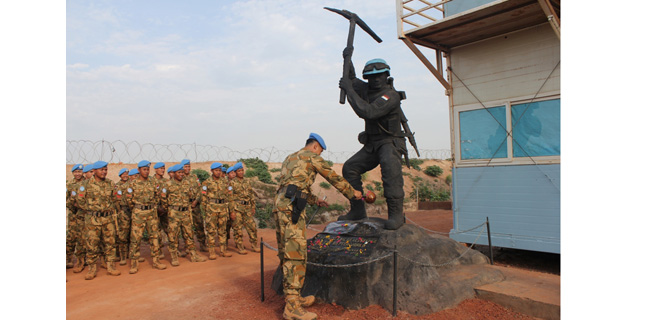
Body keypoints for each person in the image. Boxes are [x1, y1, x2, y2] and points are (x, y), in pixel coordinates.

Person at [274, 133, 362, 320]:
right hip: (291, 209)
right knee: (295, 253)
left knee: (286, 250)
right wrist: (352, 193)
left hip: (281, 205)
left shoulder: (290, 158)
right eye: (320, 151)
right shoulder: (312, 157)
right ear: (315, 147)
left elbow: (292, 187)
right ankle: (292, 307)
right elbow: (332, 177)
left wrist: (315, 200)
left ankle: (294, 297)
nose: (320, 155)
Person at [338, 57, 410, 230]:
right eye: (370, 77)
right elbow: (352, 79)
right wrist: (347, 57)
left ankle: (396, 215)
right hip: (372, 143)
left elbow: (368, 112)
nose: (375, 80)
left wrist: (349, 91)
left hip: (389, 142)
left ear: (386, 76)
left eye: (379, 75)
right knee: (350, 168)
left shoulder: (390, 95)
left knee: (389, 168)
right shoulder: (367, 88)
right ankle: (357, 210)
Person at [73, 161, 121, 280]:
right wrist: (92, 210)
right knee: (92, 244)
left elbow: (115, 199)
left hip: (108, 219)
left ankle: (111, 267)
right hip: (92, 220)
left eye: (105, 169)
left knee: (110, 243)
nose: (104, 172)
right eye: (101, 170)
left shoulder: (110, 183)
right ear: (94, 171)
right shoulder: (86, 184)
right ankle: (92, 268)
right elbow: (80, 201)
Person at [125, 160, 167, 273]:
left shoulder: (153, 182)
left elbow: (157, 196)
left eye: (148, 169)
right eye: (144, 169)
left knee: (154, 237)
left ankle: (156, 261)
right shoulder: (132, 184)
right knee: (136, 238)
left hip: (151, 213)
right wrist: (138, 209)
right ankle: (134, 264)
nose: (146, 171)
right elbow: (129, 200)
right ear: (139, 170)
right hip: (139, 213)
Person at [160, 164, 207, 266]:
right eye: (179, 173)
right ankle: (174, 257)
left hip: (186, 212)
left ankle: (194, 255)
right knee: (173, 235)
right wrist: (170, 209)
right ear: (174, 173)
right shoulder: (167, 185)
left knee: (189, 234)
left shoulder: (186, 183)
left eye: (182, 172)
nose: (181, 174)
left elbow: (190, 195)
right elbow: (163, 200)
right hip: (174, 213)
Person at [200, 162, 232, 259]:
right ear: (212, 171)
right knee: (211, 231)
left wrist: (229, 208)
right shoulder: (206, 183)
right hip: (212, 209)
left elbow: (229, 195)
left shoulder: (225, 182)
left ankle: (223, 251)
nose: (218, 172)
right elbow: (203, 197)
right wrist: (206, 210)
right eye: (216, 170)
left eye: (219, 170)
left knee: (222, 231)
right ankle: (212, 252)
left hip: (222, 208)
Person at [232, 162, 260, 252]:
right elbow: (229, 198)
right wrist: (232, 211)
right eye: (239, 171)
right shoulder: (231, 183)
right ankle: (240, 246)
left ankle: (254, 245)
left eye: (242, 170)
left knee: (252, 227)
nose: (241, 172)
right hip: (237, 208)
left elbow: (251, 195)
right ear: (235, 172)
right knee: (238, 228)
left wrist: (253, 206)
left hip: (247, 207)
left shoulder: (247, 181)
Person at [181, 159, 208, 252]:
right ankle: (188, 246)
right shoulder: (180, 178)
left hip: (195, 205)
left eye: (188, 166)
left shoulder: (194, 177)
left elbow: (200, 189)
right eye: (185, 167)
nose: (187, 168)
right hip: (185, 206)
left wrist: (196, 201)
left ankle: (202, 244)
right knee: (186, 227)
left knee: (199, 224)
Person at [66, 164, 86, 269]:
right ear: (73, 173)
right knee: (71, 237)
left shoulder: (86, 183)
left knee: (82, 237)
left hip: (83, 215)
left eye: (80, 171)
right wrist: (72, 204)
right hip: (73, 215)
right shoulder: (69, 185)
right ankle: (69, 258)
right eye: (76, 172)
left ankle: (81, 260)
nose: (78, 174)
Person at [226, 165, 247, 255]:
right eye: (231, 173)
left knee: (237, 226)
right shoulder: (226, 183)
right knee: (227, 227)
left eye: (234, 173)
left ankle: (239, 244)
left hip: (238, 207)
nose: (233, 174)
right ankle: (225, 243)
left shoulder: (242, 182)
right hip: (229, 208)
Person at [115, 168, 132, 266]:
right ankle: (122, 256)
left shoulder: (132, 184)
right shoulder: (117, 186)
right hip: (123, 211)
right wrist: (120, 211)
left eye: (127, 174)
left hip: (132, 211)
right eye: (123, 174)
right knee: (123, 234)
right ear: (120, 176)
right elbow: (117, 200)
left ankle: (131, 253)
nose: (125, 175)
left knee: (132, 233)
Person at [152, 162, 169, 258]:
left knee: (170, 230)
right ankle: (160, 251)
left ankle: (174, 250)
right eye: (160, 168)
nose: (162, 170)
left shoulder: (166, 181)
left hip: (165, 210)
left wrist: (165, 208)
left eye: (163, 168)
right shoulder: (151, 181)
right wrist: (156, 208)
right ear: (155, 170)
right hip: (155, 210)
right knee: (156, 232)